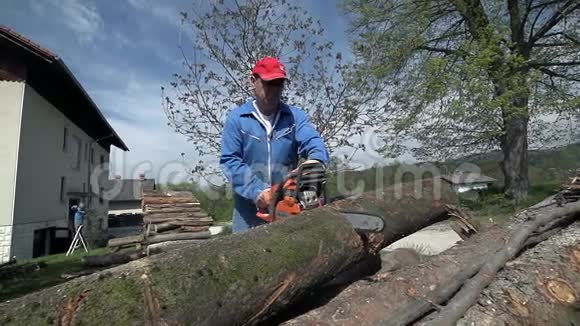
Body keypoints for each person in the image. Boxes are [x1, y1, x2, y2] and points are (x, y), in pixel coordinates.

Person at [220, 56, 330, 233]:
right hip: (248, 209)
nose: (273, 91)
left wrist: (316, 162)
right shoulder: (237, 119)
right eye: (268, 83)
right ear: (253, 81)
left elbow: (312, 140)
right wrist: (257, 191)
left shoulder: (295, 117)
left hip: (287, 203)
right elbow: (230, 161)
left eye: (278, 84)